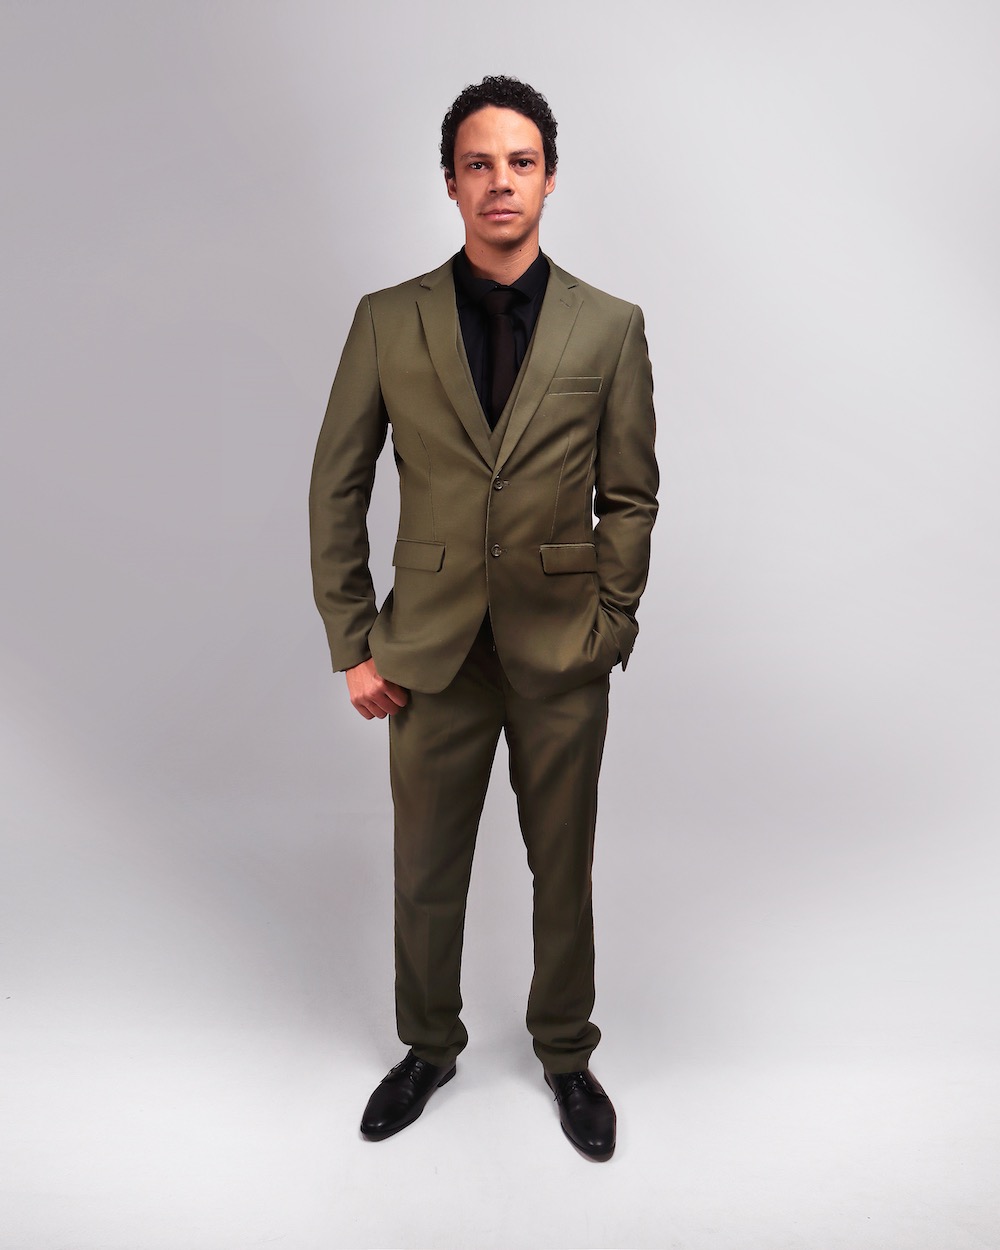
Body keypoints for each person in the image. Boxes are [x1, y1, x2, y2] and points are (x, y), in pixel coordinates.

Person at [309, 75, 657, 1161]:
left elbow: (631, 494)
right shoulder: (388, 320)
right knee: (425, 868)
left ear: (548, 179)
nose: (499, 181)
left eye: (520, 162)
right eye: (478, 164)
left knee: (564, 867)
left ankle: (566, 1053)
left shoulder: (609, 326)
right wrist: (354, 641)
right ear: (451, 183)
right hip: (427, 650)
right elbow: (336, 486)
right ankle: (427, 1045)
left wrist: (610, 621)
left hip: (563, 649)